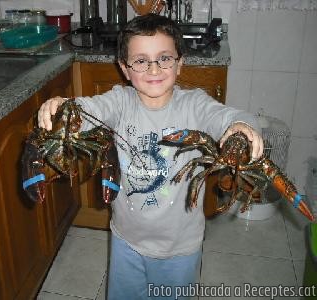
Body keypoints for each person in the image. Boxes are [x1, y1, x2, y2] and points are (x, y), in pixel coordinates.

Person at [38, 14, 263, 300]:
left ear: (180, 63)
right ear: (125, 68)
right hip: (125, 240)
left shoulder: (194, 105)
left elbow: (228, 116)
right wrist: (65, 107)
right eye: (141, 60)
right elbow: (88, 110)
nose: (153, 68)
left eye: (164, 58)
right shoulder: (120, 101)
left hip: (179, 248)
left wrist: (242, 126)